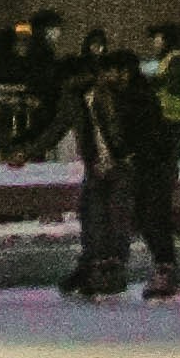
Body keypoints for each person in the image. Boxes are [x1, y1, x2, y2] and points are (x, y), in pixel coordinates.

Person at [58, 25, 132, 302]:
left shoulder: (104, 97)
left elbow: (113, 131)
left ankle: (108, 273)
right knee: (92, 217)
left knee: (112, 218)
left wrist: (115, 158)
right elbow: (57, 127)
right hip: (98, 165)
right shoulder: (80, 100)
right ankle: (93, 270)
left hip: (115, 166)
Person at [124, 21, 180, 300]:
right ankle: (165, 266)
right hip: (166, 132)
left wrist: (149, 88)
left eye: (156, 37)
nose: (154, 43)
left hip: (167, 129)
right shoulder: (174, 60)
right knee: (153, 204)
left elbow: (175, 91)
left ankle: (166, 267)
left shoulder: (174, 61)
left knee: (155, 203)